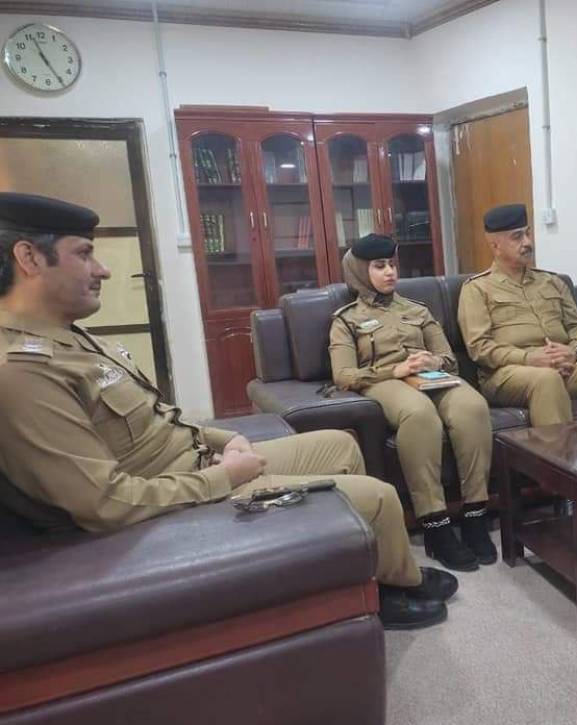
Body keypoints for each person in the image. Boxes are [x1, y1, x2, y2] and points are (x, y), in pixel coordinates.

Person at [0, 192, 454, 630]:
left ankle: (362, 576)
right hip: (180, 498)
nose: (102, 269)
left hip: (199, 462)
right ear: (29, 258)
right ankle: (397, 586)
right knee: (379, 497)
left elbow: (161, 420)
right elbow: (106, 504)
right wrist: (226, 476)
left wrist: (224, 438)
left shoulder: (74, 338)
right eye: (84, 254)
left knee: (340, 444)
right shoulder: (21, 373)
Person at [328, 234, 496, 571]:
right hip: (385, 382)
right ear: (360, 271)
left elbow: (448, 358)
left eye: (392, 265)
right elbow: (343, 375)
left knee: (473, 407)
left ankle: (476, 514)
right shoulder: (346, 319)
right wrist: (396, 369)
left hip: (431, 377)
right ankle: (435, 525)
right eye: (379, 266)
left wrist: (433, 361)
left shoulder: (417, 310)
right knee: (420, 415)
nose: (390, 272)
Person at [457, 203, 577, 427]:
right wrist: (529, 358)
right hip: (508, 373)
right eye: (517, 237)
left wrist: (574, 351)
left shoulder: (552, 281)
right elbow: (480, 347)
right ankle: (559, 450)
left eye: (527, 233)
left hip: (563, 366)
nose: (527, 242)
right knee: (547, 379)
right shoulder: (477, 289)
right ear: (496, 245)